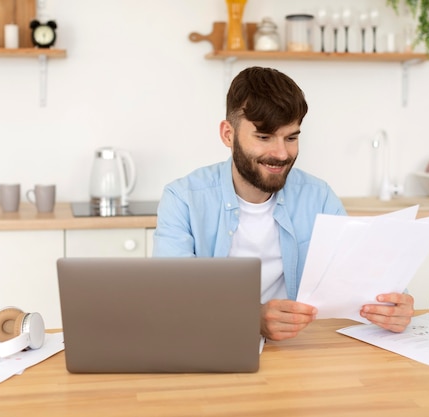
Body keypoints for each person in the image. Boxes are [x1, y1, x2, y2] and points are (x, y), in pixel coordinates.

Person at [153, 66, 414, 341]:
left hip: (296, 352)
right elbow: (171, 298)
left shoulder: (319, 196)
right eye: (264, 137)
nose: (281, 153)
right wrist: (250, 318)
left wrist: (396, 305)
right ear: (228, 134)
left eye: (291, 137)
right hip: (212, 343)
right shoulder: (182, 198)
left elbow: (363, 272)